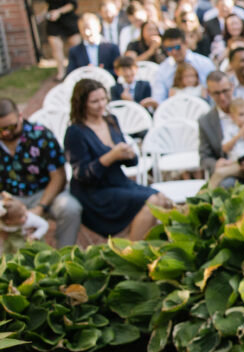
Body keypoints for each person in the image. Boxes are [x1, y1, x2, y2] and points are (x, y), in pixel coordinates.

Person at [63, 79, 172, 241]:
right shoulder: (75, 132)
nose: (101, 105)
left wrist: (129, 154)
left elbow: (131, 163)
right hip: (95, 192)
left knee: (163, 199)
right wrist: (111, 156)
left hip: (118, 182)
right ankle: (132, 250)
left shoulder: (111, 120)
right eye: (94, 102)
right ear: (82, 104)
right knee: (151, 202)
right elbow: (83, 175)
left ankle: (133, 242)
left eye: (103, 99)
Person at [0, 98, 82, 248]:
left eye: (11, 127)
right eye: (0, 129)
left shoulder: (40, 135)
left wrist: (40, 207)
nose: (6, 132)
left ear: (20, 116)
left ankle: (64, 254)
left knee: (70, 209)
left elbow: (58, 177)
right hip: (8, 197)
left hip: (43, 192)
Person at [36, 0, 80, 79]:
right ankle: (61, 72)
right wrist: (43, 14)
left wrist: (59, 12)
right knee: (55, 46)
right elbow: (49, 4)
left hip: (67, 19)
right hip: (53, 21)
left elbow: (73, 4)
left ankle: (79, 69)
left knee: (76, 45)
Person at [152, 28, 216, 103]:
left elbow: (214, 91)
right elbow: (159, 97)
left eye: (177, 47)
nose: (174, 52)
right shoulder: (162, 69)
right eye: (169, 49)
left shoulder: (204, 63)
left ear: (185, 43)